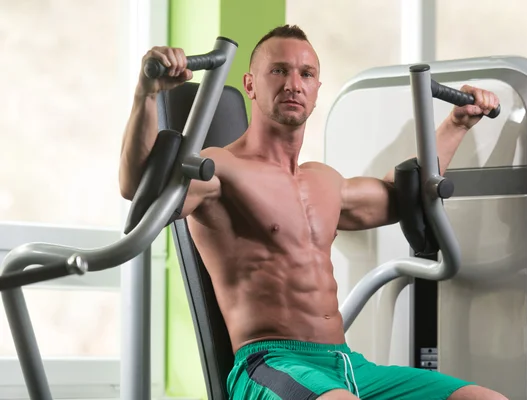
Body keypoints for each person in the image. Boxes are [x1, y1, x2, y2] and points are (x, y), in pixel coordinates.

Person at [120, 24, 507, 400]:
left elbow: (400, 195)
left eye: (306, 73)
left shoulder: (324, 181)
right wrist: (146, 95)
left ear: (317, 90)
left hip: (347, 366)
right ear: (251, 84)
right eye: (279, 70)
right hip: (270, 365)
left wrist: (457, 123)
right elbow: (141, 192)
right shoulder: (219, 169)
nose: (294, 83)